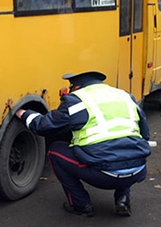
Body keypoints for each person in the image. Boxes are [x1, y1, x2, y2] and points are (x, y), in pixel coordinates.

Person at [16, 71, 151, 217]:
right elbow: (145, 135)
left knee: (55, 151)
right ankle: (123, 199)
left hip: (104, 176)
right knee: (125, 151)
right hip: (138, 170)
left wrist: (23, 113)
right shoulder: (125, 96)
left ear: (77, 87)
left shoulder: (76, 100)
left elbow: (44, 125)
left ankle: (81, 204)